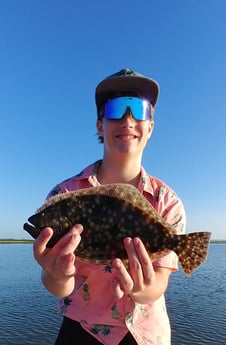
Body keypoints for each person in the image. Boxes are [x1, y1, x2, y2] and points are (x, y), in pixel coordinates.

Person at [33, 68, 186, 345]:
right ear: (99, 124)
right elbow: (58, 286)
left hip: (144, 333)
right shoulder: (64, 194)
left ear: (150, 127)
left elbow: (158, 285)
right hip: (81, 329)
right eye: (116, 109)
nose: (127, 120)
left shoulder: (167, 201)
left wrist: (145, 289)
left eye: (139, 110)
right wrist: (57, 275)